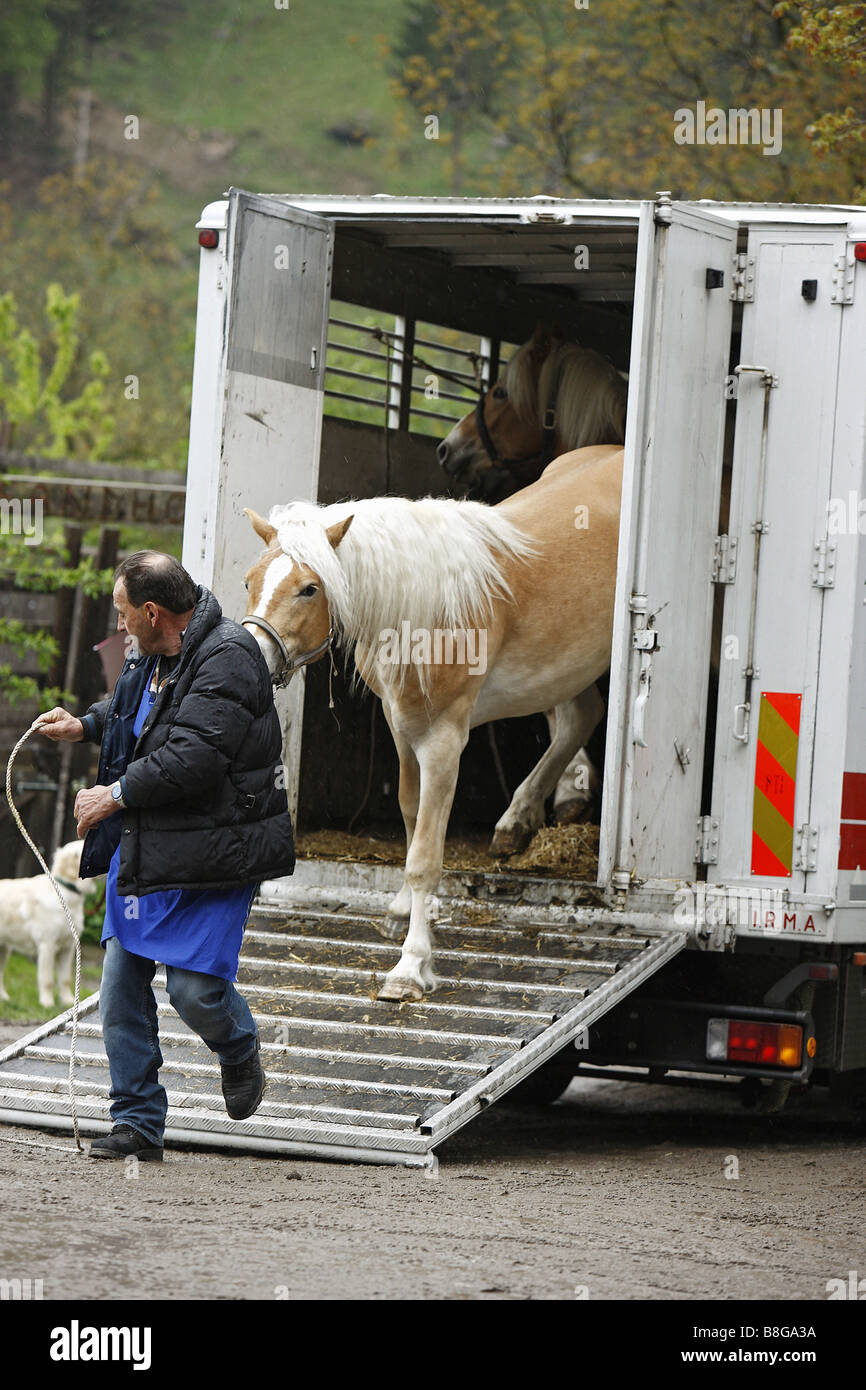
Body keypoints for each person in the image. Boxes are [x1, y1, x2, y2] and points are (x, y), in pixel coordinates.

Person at [35, 551, 294, 1162]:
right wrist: (87, 725)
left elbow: (193, 757)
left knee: (195, 993)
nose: (120, 626)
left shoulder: (230, 656)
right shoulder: (148, 653)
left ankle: (238, 1050)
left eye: (125, 614)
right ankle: (138, 1123)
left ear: (154, 612)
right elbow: (134, 714)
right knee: (121, 988)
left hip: (213, 850)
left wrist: (115, 793)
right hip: (148, 845)